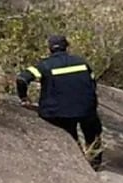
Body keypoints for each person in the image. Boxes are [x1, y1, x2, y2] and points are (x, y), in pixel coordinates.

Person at [16, 34, 103, 170]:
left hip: (57, 112)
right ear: (67, 47)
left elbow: (22, 79)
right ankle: (95, 163)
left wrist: (24, 98)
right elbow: (92, 83)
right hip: (86, 108)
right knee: (93, 133)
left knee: (70, 137)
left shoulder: (44, 65)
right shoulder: (82, 62)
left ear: (49, 49)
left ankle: (79, 163)